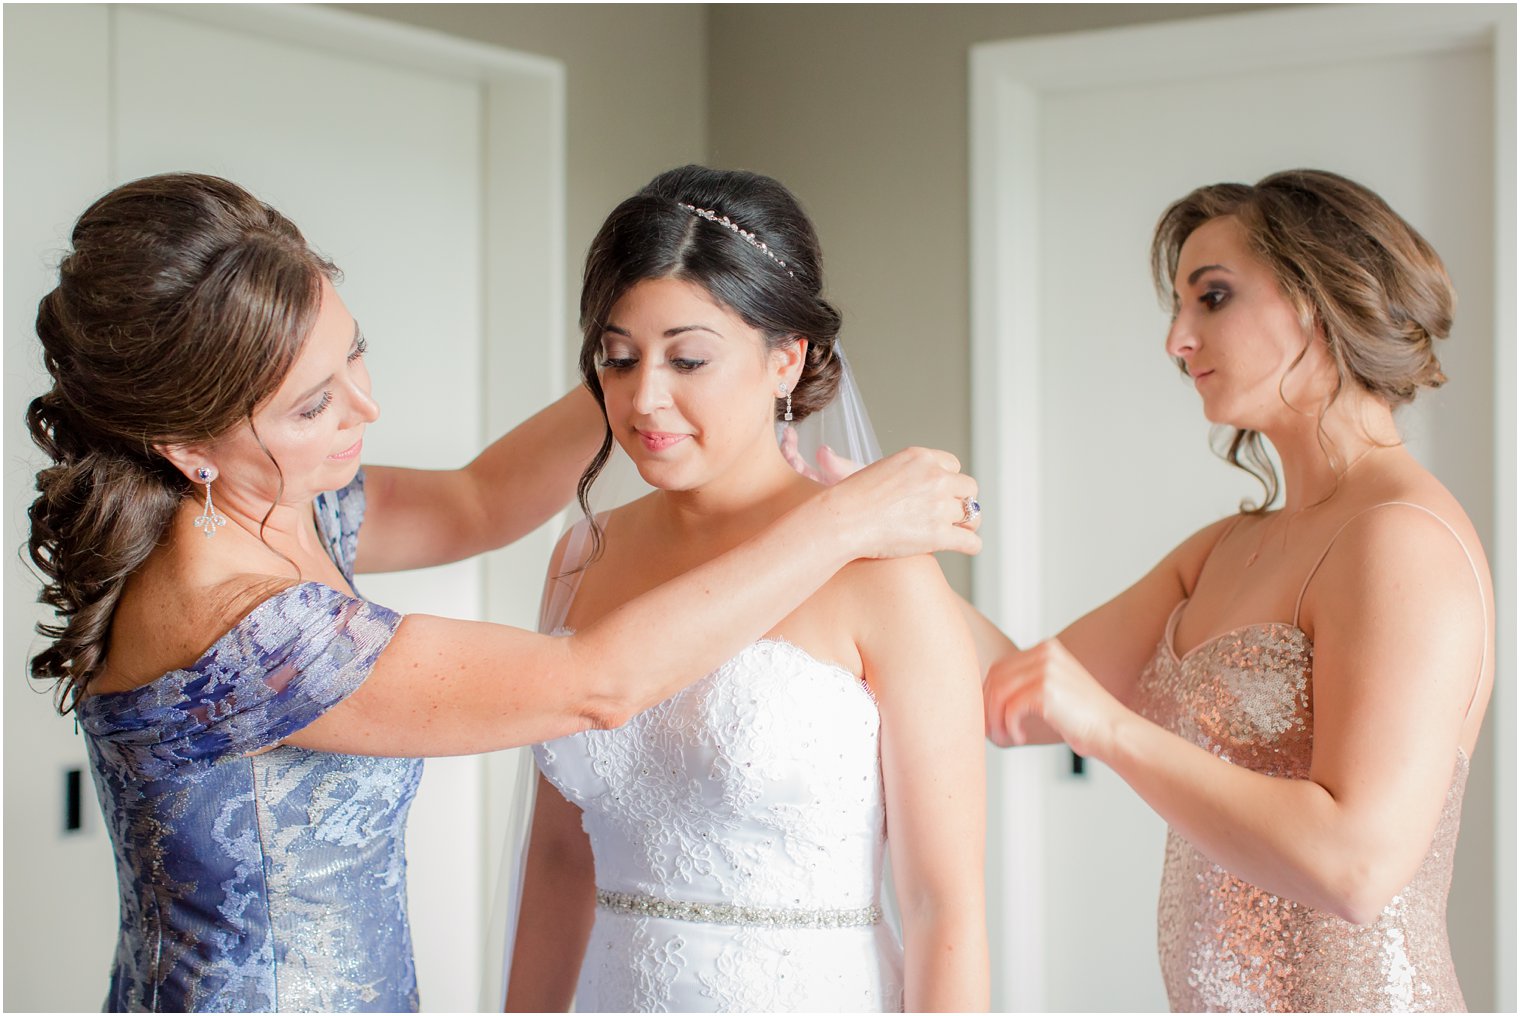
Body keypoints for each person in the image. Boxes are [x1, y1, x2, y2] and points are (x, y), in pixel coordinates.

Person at [25, 172, 981, 1013]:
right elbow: (594, 687)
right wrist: (837, 517)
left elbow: (479, 500)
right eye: (312, 405)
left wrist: (655, 348)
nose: (367, 408)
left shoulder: (286, 505)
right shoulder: (241, 625)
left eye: (354, 354)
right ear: (189, 447)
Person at [978, 169, 1492, 1011]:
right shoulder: (1220, 552)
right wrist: (873, 543)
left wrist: (1108, 729)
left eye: (1211, 297)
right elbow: (1016, 701)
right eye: (1179, 306)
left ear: (1320, 297)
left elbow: (1356, 867)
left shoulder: (1402, 539)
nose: (1177, 340)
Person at [502, 166, 989, 1013]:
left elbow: (942, 906)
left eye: (688, 358)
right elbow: (555, 857)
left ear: (785, 359)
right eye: (618, 358)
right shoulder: (584, 554)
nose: (645, 396)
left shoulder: (886, 577)